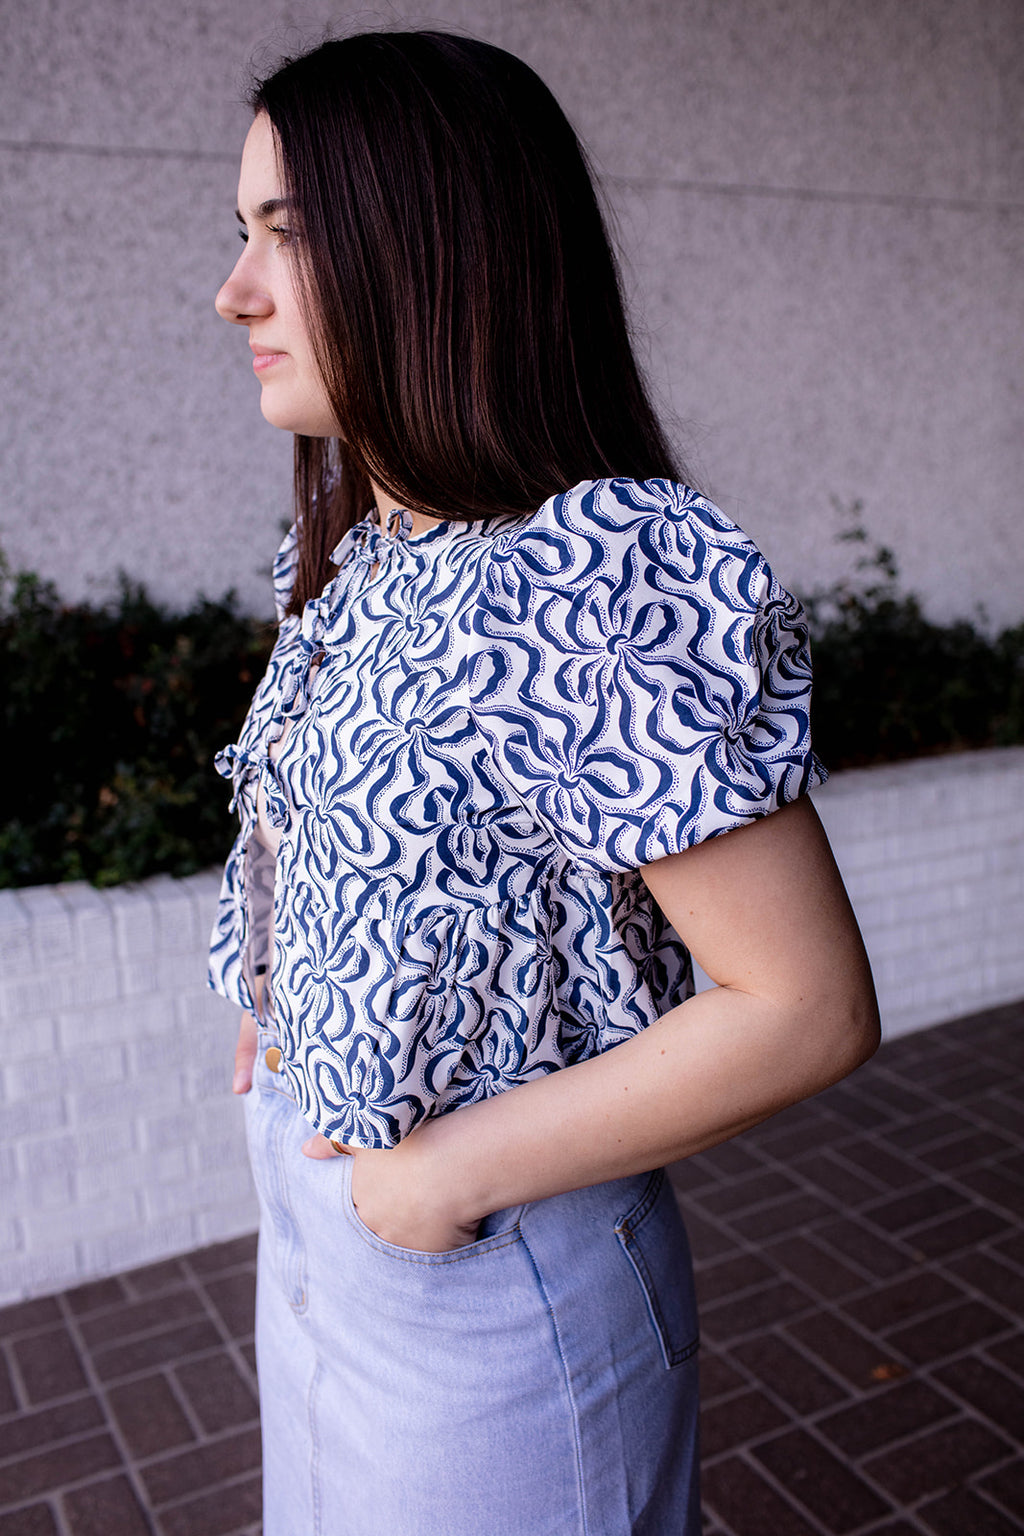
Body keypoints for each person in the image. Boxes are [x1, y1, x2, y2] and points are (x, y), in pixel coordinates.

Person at [210, 29, 879, 1536]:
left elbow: (806, 1005)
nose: (234, 293)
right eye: (240, 236)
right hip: (325, 1230)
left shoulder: (586, 579)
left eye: (286, 237)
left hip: (480, 1265)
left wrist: (441, 1176)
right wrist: (283, 1006)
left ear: (431, 246)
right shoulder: (365, 563)